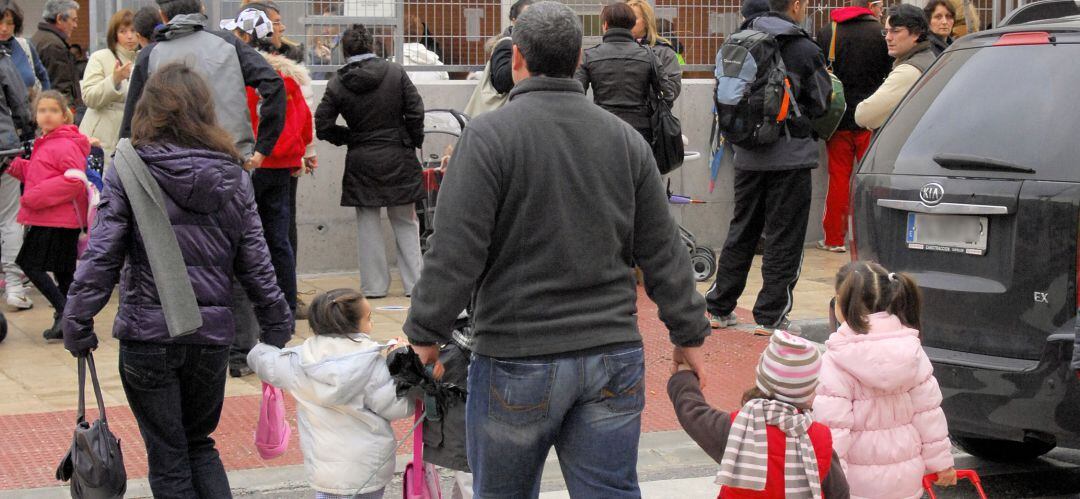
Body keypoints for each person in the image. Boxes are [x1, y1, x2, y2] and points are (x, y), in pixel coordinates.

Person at [403, 3, 709, 496]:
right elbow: (662, 248)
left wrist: (424, 334)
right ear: (577, 61)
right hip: (612, 351)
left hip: (516, 352)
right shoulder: (625, 141)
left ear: (517, 57)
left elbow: (455, 251)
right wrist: (688, 331)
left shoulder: (487, 137)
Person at [62, 63, 292, 498]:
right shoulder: (234, 174)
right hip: (210, 339)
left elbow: (102, 252)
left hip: (147, 336)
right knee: (200, 445)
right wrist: (276, 324)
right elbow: (257, 261)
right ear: (206, 112)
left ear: (149, 110)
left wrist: (77, 318)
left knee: (167, 454)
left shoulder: (128, 165)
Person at [705, 0, 831, 334]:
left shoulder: (739, 38)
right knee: (784, 236)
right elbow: (821, 101)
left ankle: (719, 307)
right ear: (795, 5)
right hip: (790, 156)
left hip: (746, 153)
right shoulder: (802, 46)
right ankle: (770, 315)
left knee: (742, 229)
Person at [248, 288, 413, 499]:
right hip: (367, 468)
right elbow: (398, 407)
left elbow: (263, 362)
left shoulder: (299, 361)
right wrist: (402, 366)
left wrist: (260, 348)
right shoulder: (372, 364)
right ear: (355, 325)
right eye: (369, 318)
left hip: (323, 469)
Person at [813, 261, 956, 498]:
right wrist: (942, 463)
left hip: (856, 484)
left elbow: (833, 430)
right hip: (906, 479)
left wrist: (829, 483)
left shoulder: (838, 357)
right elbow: (928, 414)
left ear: (842, 302)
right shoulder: (911, 349)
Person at [669, 330, 850, 497]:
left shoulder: (738, 428)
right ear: (807, 393)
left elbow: (692, 412)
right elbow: (840, 492)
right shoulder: (818, 438)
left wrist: (685, 375)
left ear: (761, 379)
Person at [315, 24, 424, 300]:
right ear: (373, 46)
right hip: (398, 153)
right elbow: (415, 110)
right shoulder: (396, 72)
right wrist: (412, 140)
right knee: (406, 221)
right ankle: (415, 285)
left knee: (368, 223)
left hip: (362, 158)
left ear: (345, 50)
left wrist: (350, 137)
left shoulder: (338, 82)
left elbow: (323, 125)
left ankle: (374, 287)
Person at [224, 6, 313, 338]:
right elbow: (304, 121)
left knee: (246, 240)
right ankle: (285, 309)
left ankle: (251, 316)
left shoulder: (245, 78)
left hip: (253, 163)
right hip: (284, 164)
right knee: (280, 240)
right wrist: (303, 151)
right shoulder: (288, 77)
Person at [120, 0, 286, 168]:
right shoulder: (229, 43)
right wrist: (262, 149)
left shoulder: (150, 54)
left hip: (169, 166)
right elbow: (273, 84)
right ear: (201, 9)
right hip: (229, 159)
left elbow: (131, 122)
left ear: (162, 15)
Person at [5, 91, 87, 340]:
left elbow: (75, 180)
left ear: (64, 115)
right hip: (54, 217)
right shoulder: (47, 142)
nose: (47, 115)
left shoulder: (63, 143)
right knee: (64, 273)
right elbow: (42, 172)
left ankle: (64, 311)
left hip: (56, 218)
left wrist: (33, 197)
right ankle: (71, 321)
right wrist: (14, 165)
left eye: (53, 110)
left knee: (30, 264)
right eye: (42, 111)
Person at [815, 0, 890, 253]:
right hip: (871, 117)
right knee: (872, 179)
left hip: (838, 118)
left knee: (838, 178)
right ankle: (876, 237)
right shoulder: (881, 33)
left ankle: (834, 239)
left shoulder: (829, 31)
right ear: (870, 5)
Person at [576, 2, 668, 142]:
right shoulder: (649, 56)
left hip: (603, 127)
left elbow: (576, 93)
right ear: (631, 25)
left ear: (605, 25)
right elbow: (666, 92)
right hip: (642, 131)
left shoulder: (589, 56)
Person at [854, 5, 936, 131]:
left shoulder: (909, 71)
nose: (888, 37)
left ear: (916, 34)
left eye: (895, 31)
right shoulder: (927, 57)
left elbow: (863, 115)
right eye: (886, 31)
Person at [78, 9, 137, 162]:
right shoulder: (100, 57)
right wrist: (114, 80)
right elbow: (89, 97)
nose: (129, 36)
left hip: (130, 140)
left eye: (133, 30)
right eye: (123, 31)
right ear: (114, 34)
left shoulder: (144, 58)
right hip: (99, 138)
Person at [0, 35, 31, 311]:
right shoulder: (2, 59)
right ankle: (14, 287)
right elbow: (20, 104)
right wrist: (27, 133)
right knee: (10, 218)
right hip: (3, 149)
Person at [462, 0, 535, 117]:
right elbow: (501, 82)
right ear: (514, 20)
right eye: (526, 17)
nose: (532, 22)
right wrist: (522, 54)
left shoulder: (537, 44)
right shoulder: (506, 44)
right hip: (505, 114)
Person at [30, 0, 81, 114]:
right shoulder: (54, 45)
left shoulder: (39, 38)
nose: (75, 25)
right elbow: (60, 86)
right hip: (57, 112)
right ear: (59, 19)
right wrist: (67, 114)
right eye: (73, 20)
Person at [627, 0, 681, 103]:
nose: (628, 23)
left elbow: (673, 89)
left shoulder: (664, 51)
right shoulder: (616, 48)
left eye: (633, 19)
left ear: (646, 21)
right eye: (625, 19)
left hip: (652, 114)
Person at [0, 0, 49, 95]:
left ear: (16, 25)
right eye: (0, 23)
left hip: (29, 108)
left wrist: (44, 101)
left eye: (9, 23)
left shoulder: (25, 45)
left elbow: (43, 76)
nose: (4, 28)